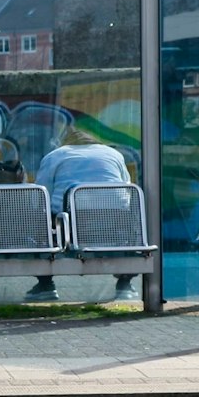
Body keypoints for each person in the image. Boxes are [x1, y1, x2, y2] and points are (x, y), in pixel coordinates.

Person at [24, 128, 137, 302]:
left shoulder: (56, 156)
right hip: (115, 220)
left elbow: (41, 194)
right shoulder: (113, 154)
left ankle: (45, 284)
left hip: (69, 225)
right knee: (133, 228)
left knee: (40, 220)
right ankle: (124, 285)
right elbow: (127, 189)